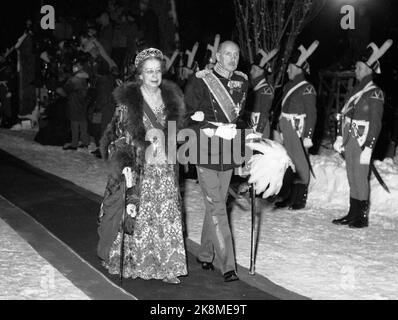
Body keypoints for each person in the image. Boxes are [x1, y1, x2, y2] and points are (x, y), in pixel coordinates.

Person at [97, 48, 187, 284]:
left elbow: (177, 133)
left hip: (165, 168)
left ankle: (167, 267)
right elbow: (116, 136)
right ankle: (132, 262)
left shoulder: (172, 99)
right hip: (139, 167)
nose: (155, 75)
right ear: (140, 75)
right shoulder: (128, 104)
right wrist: (124, 163)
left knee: (165, 217)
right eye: (149, 71)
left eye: (158, 71)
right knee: (139, 215)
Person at [184, 41, 252, 282]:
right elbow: (187, 115)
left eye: (236, 54)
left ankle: (205, 253)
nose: (232, 59)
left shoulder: (243, 81)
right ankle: (228, 266)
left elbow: (240, 116)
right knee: (216, 206)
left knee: (218, 203)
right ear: (217, 56)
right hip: (206, 149)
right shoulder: (201, 80)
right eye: (227, 54)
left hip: (229, 150)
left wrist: (244, 139)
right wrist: (210, 128)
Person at [332, 39, 392, 228]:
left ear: (368, 69)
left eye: (358, 67)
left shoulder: (375, 92)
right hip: (350, 137)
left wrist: (369, 146)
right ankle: (353, 213)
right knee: (351, 175)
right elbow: (344, 113)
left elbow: (376, 123)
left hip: (362, 139)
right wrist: (340, 136)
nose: (355, 70)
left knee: (360, 177)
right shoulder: (355, 90)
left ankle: (362, 217)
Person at [274, 41, 318, 210]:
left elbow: (312, 114)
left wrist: (308, 136)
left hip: (298, 130)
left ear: (298, 67)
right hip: (286, 128)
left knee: (300, 164)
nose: (287, 70)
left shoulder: (307, 88)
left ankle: (300, 197)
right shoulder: (288, 86)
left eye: (290, 67)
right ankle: (289, 195)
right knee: (288, 163)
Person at [61, 62, 90, 150]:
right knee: (83, 123)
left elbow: (66, 89)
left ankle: (74, 144)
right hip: (83, 104)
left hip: (74, 103)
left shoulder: (73, 80)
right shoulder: (85, 79)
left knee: (74, 124)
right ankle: (85, 142)